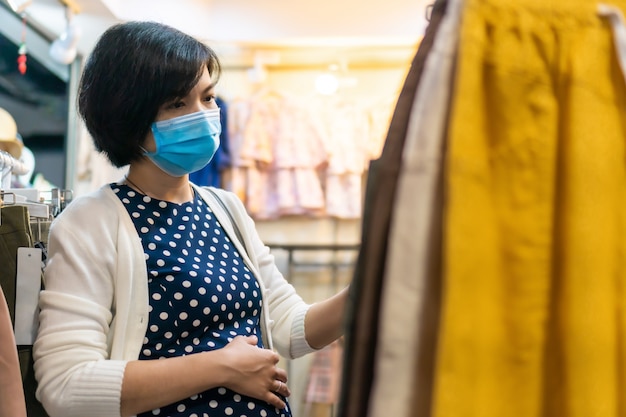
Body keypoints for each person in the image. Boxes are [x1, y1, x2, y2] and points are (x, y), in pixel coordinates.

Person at [33, 21, 349, 417]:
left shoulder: (226, 209)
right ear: (129, 117)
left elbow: (289, 327)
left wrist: (370, 284)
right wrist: (220, 367)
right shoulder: (90, 222)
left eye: (209, 97)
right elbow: (66, 385)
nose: (202, 115)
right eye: (177, 104)